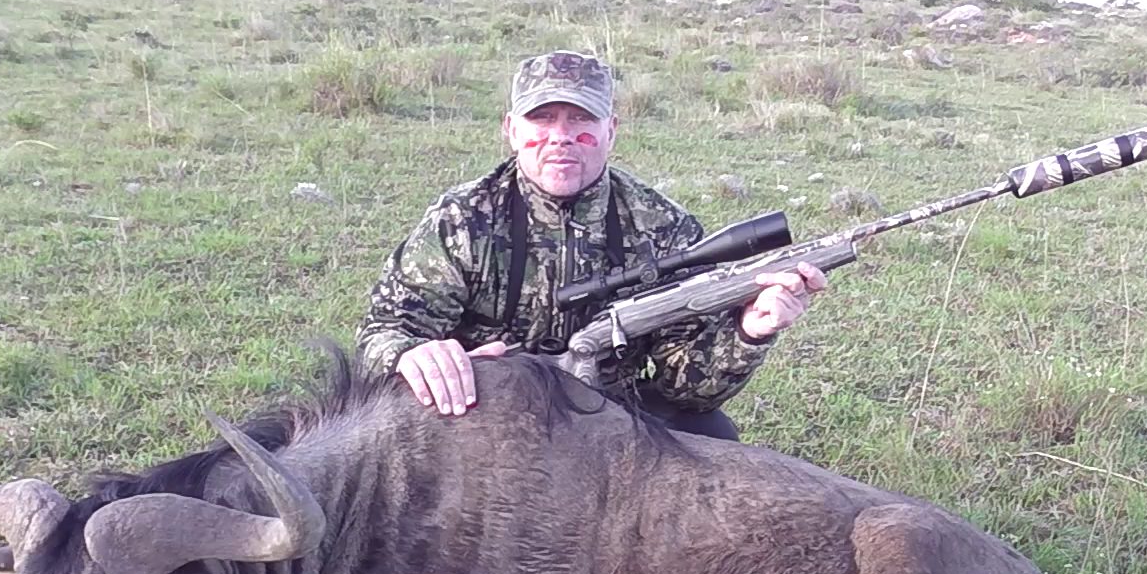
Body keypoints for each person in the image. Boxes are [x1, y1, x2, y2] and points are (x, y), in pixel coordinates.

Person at [354, 50, 828, 441]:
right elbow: (383, 332)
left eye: (581, 120)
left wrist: (749, 330)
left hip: (611, 411)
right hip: (481, 409)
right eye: (542, 119)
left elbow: (686, 391)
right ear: (512, 130)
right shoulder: (462, 219)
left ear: (611, 131)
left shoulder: (662, 226)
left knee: (710, 432)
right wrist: (410, 355)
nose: (560, 137)